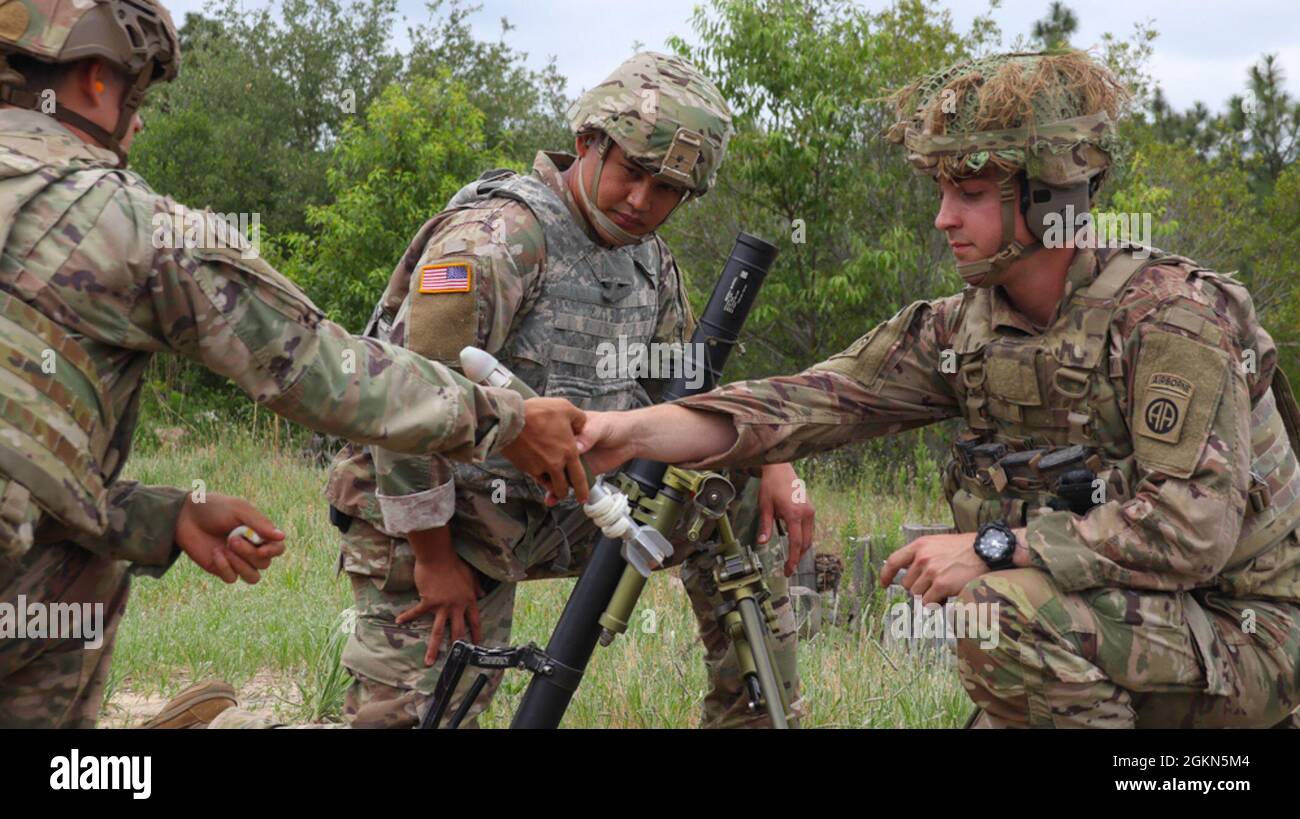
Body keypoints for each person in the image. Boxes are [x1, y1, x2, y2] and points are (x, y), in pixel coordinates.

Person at [574, 51, 1300, 728]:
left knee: (1001, 610)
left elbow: (1190, 533)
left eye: (971, 193)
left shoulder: (1171, 321)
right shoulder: (964, 329)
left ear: (1051, 198)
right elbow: (802, 404)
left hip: (1247, 636)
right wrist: (627, 432)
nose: (943, 218)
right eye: (943, 191)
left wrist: (989, 546)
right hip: (1129, 625)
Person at [0, 0, 583, 728]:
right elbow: (325, 372)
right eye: (136, 95)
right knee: (78, 578)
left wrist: (161, 514)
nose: (139, 122)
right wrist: (503, 417)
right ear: (93, 81)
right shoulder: (128, 225)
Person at [228, 51, 814, 730]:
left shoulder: (649, 261)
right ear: (587, 144)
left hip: (554, 504)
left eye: (669, 192)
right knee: (421, 721)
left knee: (736, 489)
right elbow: (403, 405)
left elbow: (682, 387)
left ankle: (757, 717)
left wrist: (770, 455)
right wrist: (434, 557)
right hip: (429, 513)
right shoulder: (496, 239)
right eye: (633, 173)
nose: (642, 202)